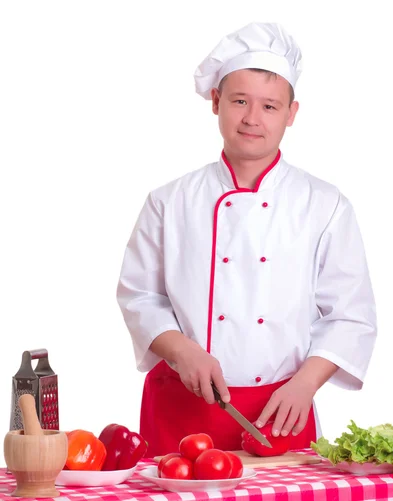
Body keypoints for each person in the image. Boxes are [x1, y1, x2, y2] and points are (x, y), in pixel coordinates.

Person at [116, 22, 377, 457]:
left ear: (291, 114)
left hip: (281, 409)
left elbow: (351, 316)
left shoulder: (325, 205)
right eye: (239, 101)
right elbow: (138, 296)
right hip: (181, 405)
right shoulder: (169, 201)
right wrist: (181, 350)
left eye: (270, 106)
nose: (253, 119)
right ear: (216, 102)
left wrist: (306, 384)